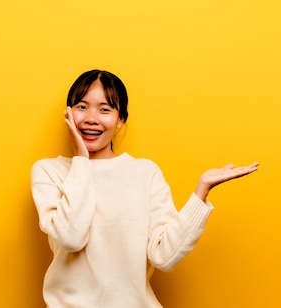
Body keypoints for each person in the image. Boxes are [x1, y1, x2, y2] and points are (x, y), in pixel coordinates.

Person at [31, 69, 259, 307]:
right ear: (68, 114)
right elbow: (71, 237)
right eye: (81, 106)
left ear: (120, 120)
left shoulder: (144, 173)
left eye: (105, 109)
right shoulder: (49, 171)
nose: (91, 117)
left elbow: (164, 256)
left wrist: (201, 192)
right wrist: (81, 160)